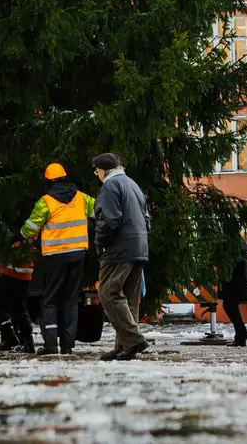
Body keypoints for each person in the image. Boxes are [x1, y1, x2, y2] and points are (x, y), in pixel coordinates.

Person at [20, 162, 93, 357]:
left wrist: (21, 235)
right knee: (71, 300)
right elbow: (99, 211)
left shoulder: (45, 202)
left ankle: (51, 344)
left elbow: (30, 229)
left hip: (54, 257)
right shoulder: (81, 198)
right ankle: (68, 345)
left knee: (51, 299)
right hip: (78, 254)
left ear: (48, 181)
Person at [91, 152, 152, 361]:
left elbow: (109, 220)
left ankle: (134, 340)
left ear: (103, 171)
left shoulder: (110, 186)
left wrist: (101, 243)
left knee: (108, 293)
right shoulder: (132, 184)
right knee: (129, 298)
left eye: (97, 172)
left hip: (119, 250)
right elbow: (146, 218)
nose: (97, 175)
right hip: (139, 247)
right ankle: (124, 347)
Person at [0, 240, 36, 352]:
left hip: (12, 272)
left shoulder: (11, 234)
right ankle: (26, 341)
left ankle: (9, 337)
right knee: (18, 307)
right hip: (24, 272)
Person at [219, 227, 247, 347]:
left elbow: (231, 261)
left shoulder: (233, 242)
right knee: (231, 306)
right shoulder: (239, 241)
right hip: (235, 280)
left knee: (229, 306)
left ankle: (242, 334)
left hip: (233, 280)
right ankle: (240, 335)